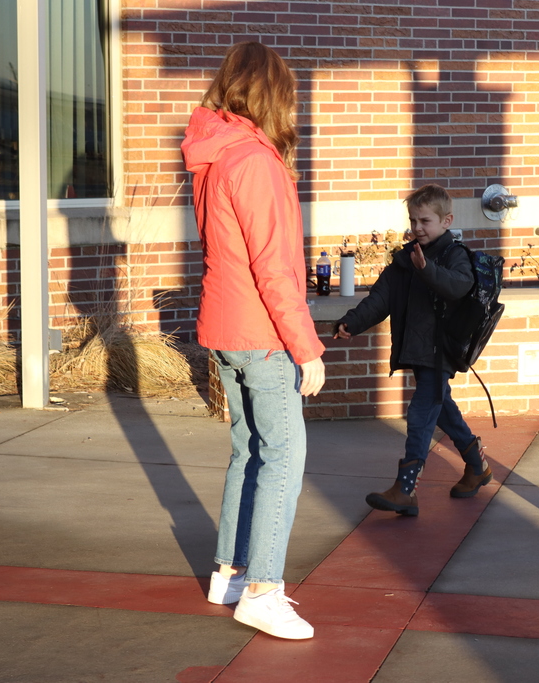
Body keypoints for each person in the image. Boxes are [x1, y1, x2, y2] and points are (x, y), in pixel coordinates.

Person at [180, 41, 325, 640]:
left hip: (224, 326)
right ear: (274, 96)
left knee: (249, 450)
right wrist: (307, 347)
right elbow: (273, 267)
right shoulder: (256, 162)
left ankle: (230, 572)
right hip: (263, 333)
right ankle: (263, 589)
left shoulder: (212, 156)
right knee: (285, 456)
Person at [334, 184, 492, 517]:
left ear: (446, 221)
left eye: (425, 221)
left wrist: (427, 269)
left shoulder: (454, 254)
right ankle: (477, 465)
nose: (417, 227)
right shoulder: (405, 259)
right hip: (419, 350)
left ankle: (405, 490)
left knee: (421, 414)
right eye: (413, 220)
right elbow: (380, 299)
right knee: (443, 408)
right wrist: (352, 322)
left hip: (441, 352)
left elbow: (459, 286)